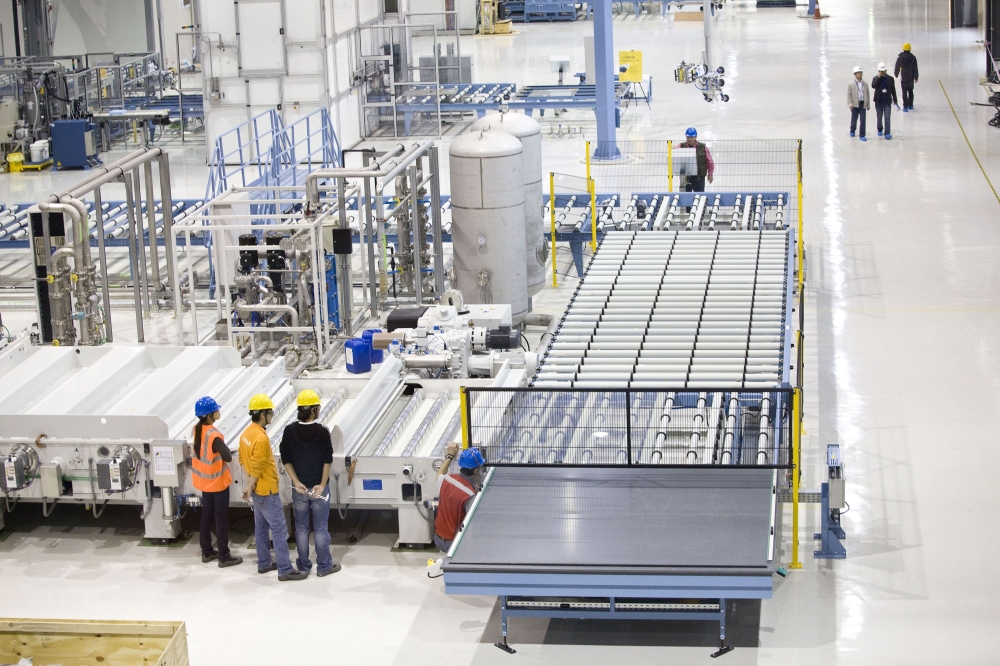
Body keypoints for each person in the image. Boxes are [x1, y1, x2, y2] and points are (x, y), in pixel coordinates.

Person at [238, 393, 307, 581]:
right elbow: (258, 465)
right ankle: (285, 569)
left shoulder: (246, 434)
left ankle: (264, 562)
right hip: (267, 490)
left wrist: (249, 484)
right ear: (262, 414)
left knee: (260, 527)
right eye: (270, 412)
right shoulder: (261, 438)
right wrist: (250, 485)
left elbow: (242, 460)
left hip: (257, 490)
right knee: (278, 529)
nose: (272, 416)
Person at [280, 389, 339, 577]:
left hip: (300, 490)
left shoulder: (289, 431)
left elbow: (286, 459)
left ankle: (304, 566)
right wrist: (322, 484)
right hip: (319, 489)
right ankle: (323, 566)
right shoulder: (322, 432)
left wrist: (296, 482)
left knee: (301, 528)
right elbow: (327, 460)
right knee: (320, 528)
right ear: (313, 410)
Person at [191, 396, 242, 568]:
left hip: (205, 483)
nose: (218, 412)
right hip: (218, 484)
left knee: (206, 517)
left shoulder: (197, 429)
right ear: (209, 415)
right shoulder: (214, 435)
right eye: (216, 410)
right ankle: (224, 556)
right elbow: (227, 457)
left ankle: (206, 551)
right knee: (221, 520)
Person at [434, 446, 486, 553]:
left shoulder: (447, 479)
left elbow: (439, 474)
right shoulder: (469, 495)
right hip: (453, 543)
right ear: (476, 470)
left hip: (437, 538)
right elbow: (471, 525)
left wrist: (450, 456)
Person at [679, 127, 715, 192]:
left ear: (696, 137)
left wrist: (710, 174)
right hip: (685, 178)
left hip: (699, 178)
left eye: (691, 137)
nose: (689, 139)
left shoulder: (703, 147)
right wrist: (672, 149)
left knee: (700, 196)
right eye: (688, 137)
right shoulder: (681, 146)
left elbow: (710, 162)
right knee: (684, 196)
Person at [871, 63, 899, 139]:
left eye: (883, 71)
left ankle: (887, 132)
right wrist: (878, 78)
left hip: (887, 101)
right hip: (878, 101)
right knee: (879, 117)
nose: (882, 72)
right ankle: (879, 129)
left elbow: (893, 90)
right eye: (880, 71)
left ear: (886, 70)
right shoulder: (876, 78)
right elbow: (873, 86)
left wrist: (895, 99)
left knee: (887, 117)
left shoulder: (890, 79)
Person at [847, 66, 870, 141]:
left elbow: (867, 94)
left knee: (863, 120)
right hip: (854, 104)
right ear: (855, 74)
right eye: (858, 73)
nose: (860, 74)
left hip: (862, 104)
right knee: (854, 119)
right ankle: (852, 129)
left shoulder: (865, 84)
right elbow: (849, 94)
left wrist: (868, 104)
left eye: (861, 72)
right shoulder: (851, 84)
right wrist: (850, 104)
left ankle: (862, 135)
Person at [894, 43, 919, 111]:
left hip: (904, 78)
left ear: (903, 49)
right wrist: (916, 77)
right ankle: (910, 105)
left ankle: (905, 107)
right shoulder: (913, 58)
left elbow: (897, 66)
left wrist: (896, 74)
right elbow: (915, 68)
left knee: (904, 92)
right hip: (911, 78)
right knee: (910, 91)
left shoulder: (900, 58)